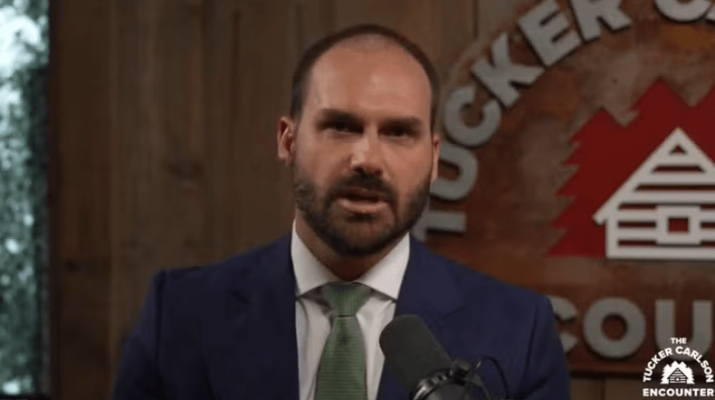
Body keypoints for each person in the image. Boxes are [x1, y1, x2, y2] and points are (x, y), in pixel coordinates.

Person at [113, 23, 570, 400]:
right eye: (341, 127)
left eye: (398, 133)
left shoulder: (518, 331)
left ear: (433, 159)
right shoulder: (180, 314)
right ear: (288, 140)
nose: (367, 159)